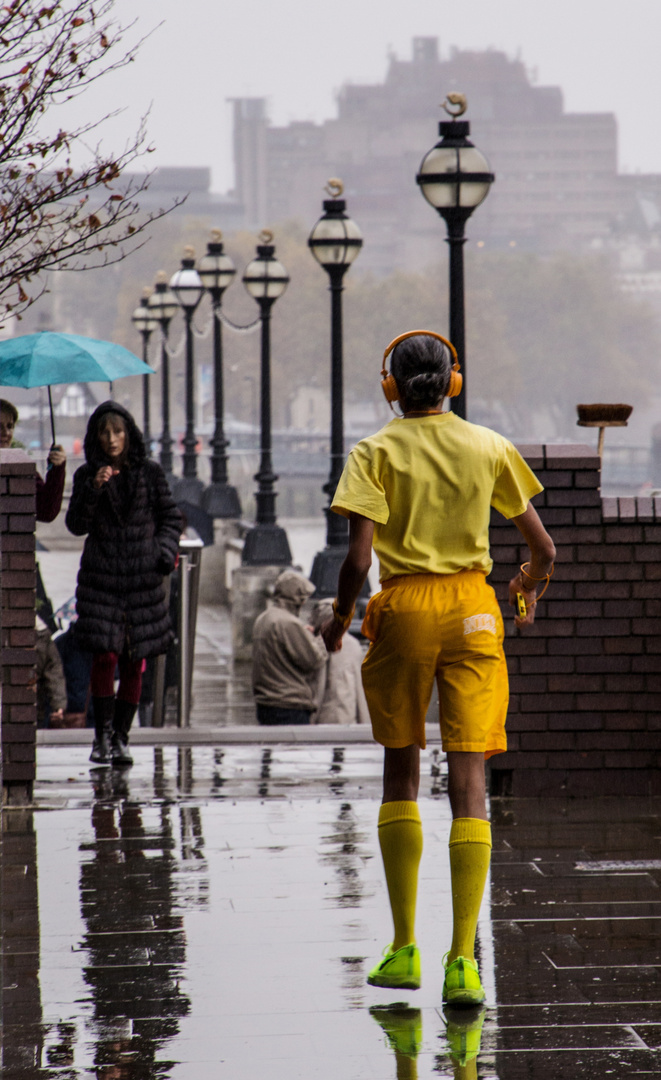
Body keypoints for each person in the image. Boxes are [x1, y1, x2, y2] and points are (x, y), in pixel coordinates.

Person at [322, 330, 555, 1006]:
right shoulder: (488, 446)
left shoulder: (373, 453)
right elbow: (542, 549)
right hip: (474, 608)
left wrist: (340, 619)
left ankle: (402, 949)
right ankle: (462, 961)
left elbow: (359, 564)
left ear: (389, 386)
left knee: (401, 766)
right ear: (452, 381)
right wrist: (525, 589)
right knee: (469, 776)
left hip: (402, 607)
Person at [66, 402, 182, 766]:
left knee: (135, 661)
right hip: (102, 581)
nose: (112, 439)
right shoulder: (87, 475)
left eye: (118, 431)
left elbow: (170, 518)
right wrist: (93, 489)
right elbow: (76, 525)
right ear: (96, 437)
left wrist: (163, 551)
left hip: (141, 584)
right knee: (105, 656)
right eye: (105, 432)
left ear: (129, 434)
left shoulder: (149, 473)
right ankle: (100, 736)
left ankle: (121, 738)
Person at [252, 570, 328, 725]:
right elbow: (314, 660)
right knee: (294, 749)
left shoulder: (263, 618)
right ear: (297, 598)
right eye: (304, 598)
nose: (305, 602)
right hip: (289, 706)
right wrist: (323, 638)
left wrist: (304, 635)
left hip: (266, 703)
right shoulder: (288, 623)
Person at [0, 397, 67, 521]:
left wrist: (57, 469)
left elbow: (46, 511)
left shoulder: (20, 468)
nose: (6, 433)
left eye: (10, 426)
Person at [310, 598, 369, 725]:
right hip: (350, 714)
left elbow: (318, 687)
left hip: (327, 717)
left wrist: (311, 720)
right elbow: (360, 689)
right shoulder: (354, 644)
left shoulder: (323, 642)